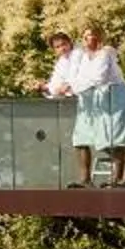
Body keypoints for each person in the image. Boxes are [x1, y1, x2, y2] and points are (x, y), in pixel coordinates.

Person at [68, 23, 125, 186]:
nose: (86, 39)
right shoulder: (82, 58)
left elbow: (99, 77)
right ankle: (107, 178)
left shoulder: (106, 53)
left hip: (118, 96)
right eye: (84, 36)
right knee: (109, 139)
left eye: (90, 34)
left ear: (99, 36)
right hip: (101, 99)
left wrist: (73, 87)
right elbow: (76, 78)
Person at [41, 30, 88, 186]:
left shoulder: (81, 55)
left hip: (94, 102)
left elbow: (85, 78)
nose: (62, 49)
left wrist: (68, 86)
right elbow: (56, 85)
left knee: (106, 140)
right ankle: (85, 180)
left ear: (70, 43)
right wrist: (45, 87)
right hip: (80, 106)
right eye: (58, 47)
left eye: (64, 44)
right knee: (80, 140)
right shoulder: (61, 63)